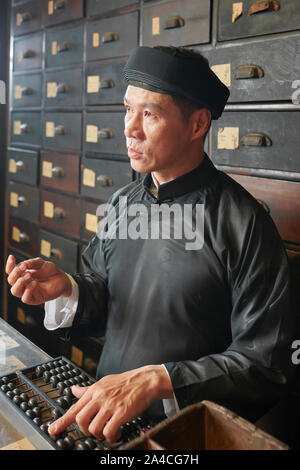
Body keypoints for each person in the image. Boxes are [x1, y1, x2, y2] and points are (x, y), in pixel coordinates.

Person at [5, 46, 297, 444]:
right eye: (128, 109)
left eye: (150, 114)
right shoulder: (123, 202)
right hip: (102, 417)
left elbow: (267, 362)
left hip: (181, 434)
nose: (130, 128)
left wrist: (159, 379)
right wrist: (68, 290)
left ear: (197, 125)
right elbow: (104, 291)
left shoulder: (244, 223)